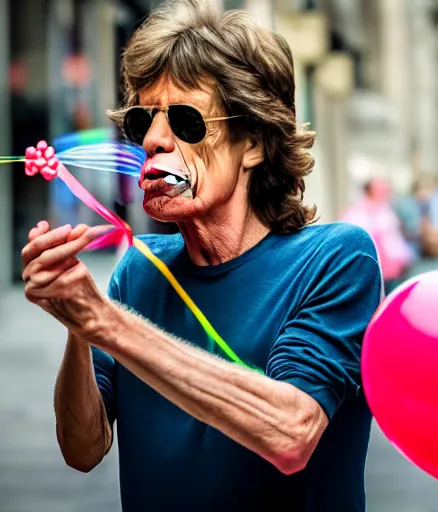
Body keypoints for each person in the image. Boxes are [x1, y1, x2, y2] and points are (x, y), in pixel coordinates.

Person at [21, 1, 382, 511]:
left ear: (253, 141)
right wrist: (77, 326)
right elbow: (83, 448)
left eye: (186, 121)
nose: (152, 140)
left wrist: (103, 322)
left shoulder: (335, 259)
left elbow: (291, 433)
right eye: (143, 120)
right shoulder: (140, 270)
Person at [341, 178, 412, 294]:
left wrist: (403, 258)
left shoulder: (386, 211)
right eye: (382, 191)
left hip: (391, 271)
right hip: (369, 272)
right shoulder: (356, 214)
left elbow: (394, 239)